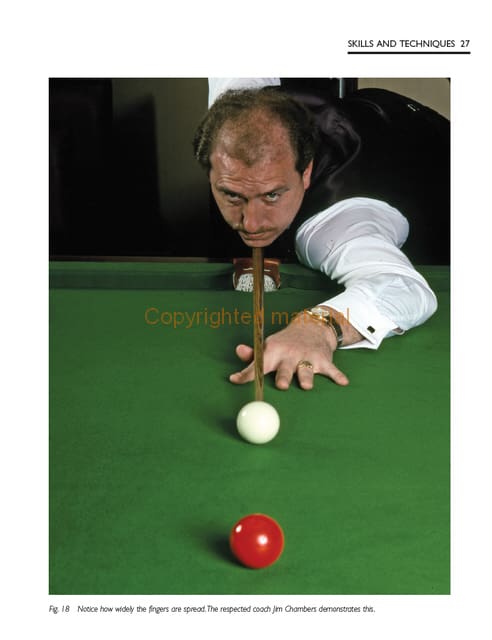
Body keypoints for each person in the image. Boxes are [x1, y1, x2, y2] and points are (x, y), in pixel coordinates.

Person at [193, 78, 443, 391]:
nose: (251, 223)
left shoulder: (333, 227)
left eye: (272, 195)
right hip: (369, 118)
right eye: (232, 194)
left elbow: (405, 289)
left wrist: (318, 326)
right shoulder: (227, 119)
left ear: (306, 173)